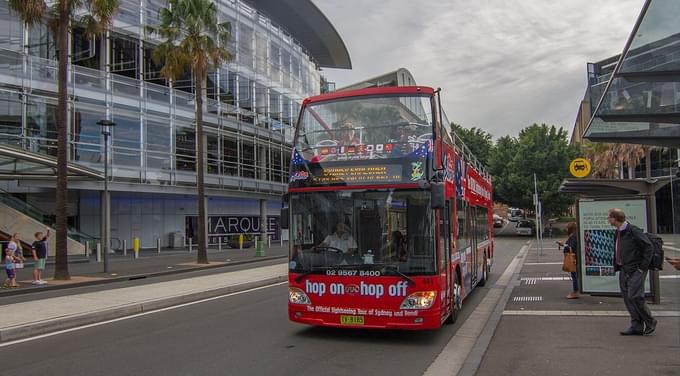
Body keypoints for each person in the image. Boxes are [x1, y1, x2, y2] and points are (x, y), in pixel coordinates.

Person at [607, 208, 656, 336]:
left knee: (635, 296)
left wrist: (642, 267)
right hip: (623, 268)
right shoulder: (618, 232)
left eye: (609, 217)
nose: (608, 219)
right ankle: (636, 325)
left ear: (614, 218)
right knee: (627, 298)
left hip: (635, 269)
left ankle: (650, 321)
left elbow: (649, 247)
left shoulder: (632, 230)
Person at [558, 222, 579, 299]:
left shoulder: (573, 237)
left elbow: (572, 247)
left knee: (575, 275)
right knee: (575, 275)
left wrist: (563, 245)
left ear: (571, 229)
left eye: (567, 228)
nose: (566, 229)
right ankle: (577, 291)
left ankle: (575, 292)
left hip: (573, 259)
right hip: (575, 258)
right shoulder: (574, 236)